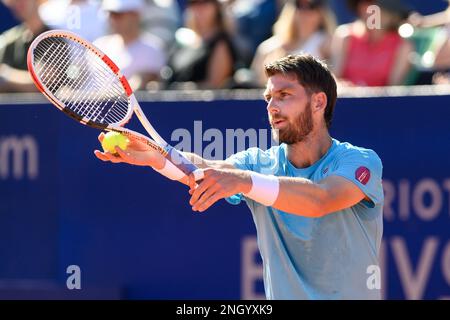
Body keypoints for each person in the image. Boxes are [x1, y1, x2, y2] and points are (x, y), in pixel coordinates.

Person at [94, 54, 384, 300]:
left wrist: (245, 182)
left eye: (285, 96)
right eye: (268, 98)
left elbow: (321, 199)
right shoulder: (257, 163)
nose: (272, 107)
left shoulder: (360, 161)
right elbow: (206, 171)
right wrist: (158, 158)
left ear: (319, 103)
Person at [251, 0, 336, 87]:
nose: (304, 11)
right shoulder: (269, 47)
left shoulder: (327, 42)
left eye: (312, 6)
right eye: (298, 5)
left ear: (322, 12)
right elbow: (259, 83)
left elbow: (334, 78)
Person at [331, 0, 413, 86]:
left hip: (381, 99)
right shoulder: (345, 36)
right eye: (366, 4)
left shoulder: (402, 46)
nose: (372, 11)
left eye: (378, 6)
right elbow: (334, 80)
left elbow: (393, 89)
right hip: (346, 98)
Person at [93, 0, 166, 90]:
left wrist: (95, 98)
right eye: (110, 14)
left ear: (135, 15)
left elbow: (136, 86)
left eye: (118, 15)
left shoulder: (153, 49)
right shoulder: (98, 45)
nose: (111, 19)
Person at [164, 0, 236, 89]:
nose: (199, 8)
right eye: (194, 3)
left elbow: (215, 85)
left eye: (204, 2)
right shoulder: (183, 42)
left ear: (216, 7)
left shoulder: (221, 43)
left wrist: (187, 89)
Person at [0, 0, 48, 92]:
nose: (18, 4)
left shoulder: (54, 39)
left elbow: (41, 82)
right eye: (14, 2)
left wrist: (5, 74)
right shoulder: (8, 41)